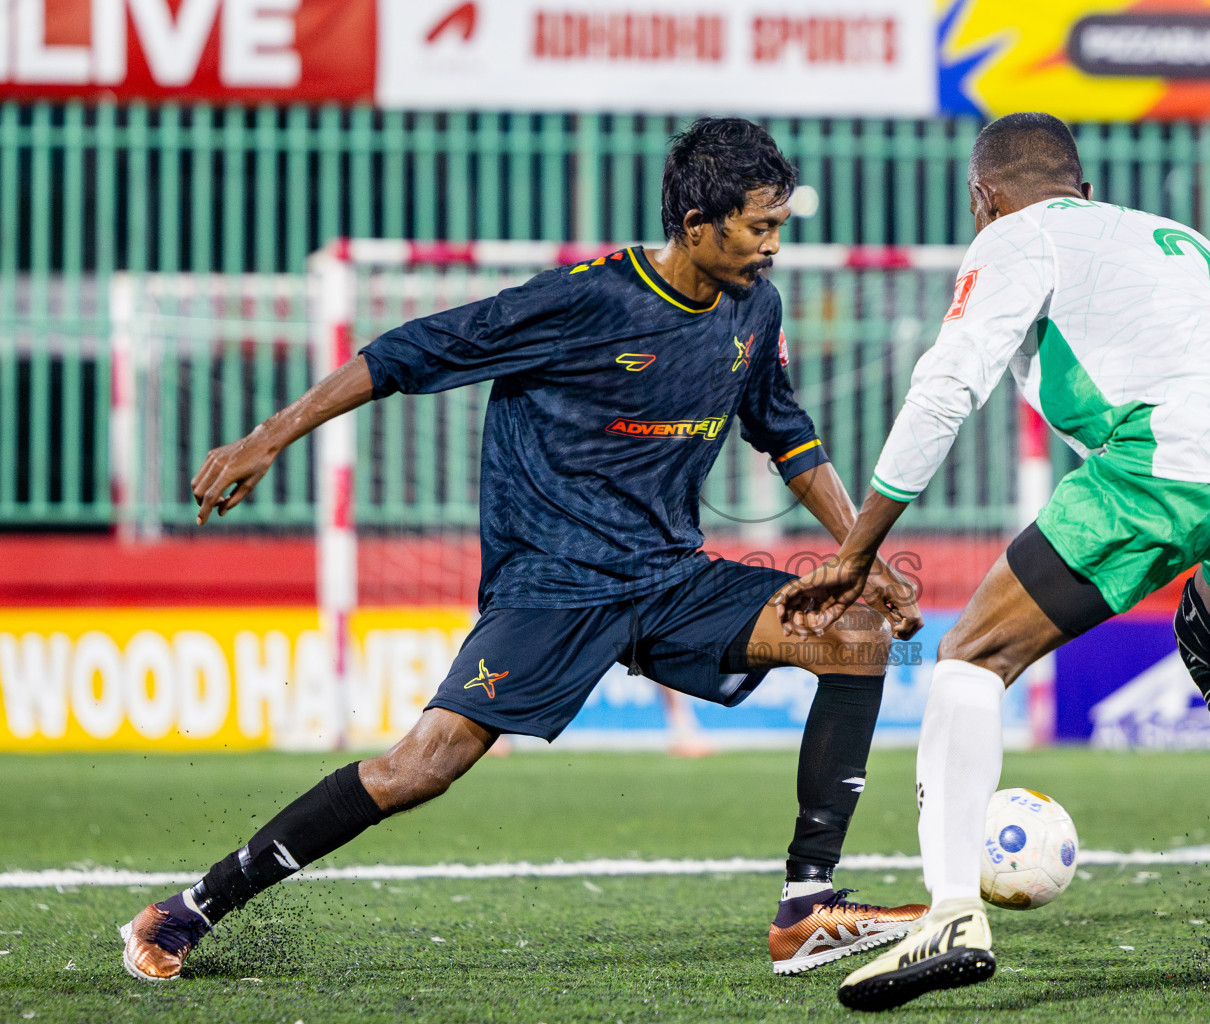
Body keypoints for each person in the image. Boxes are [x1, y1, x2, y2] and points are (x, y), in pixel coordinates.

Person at [120, 117, 928, 982]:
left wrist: (862, 554)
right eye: (759, 227)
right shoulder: (584, 300)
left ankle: (806, 905)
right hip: (554, 585)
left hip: (668, 580)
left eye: (779, 227)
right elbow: (407, 352)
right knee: (419, 769)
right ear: (698, 224)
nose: (774, 246)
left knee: (853, 637)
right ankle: (189, 908)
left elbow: (787, 434)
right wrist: (267, 437)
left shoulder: (754, 307)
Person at [776, 112, 1210, 1011]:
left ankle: (952, 914)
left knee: (972, 656)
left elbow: (944, 389)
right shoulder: (1171, 237)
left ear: (984, 198)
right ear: (1083, 189)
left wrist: (859, 550)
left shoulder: (1015, 234)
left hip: (1176, 452)